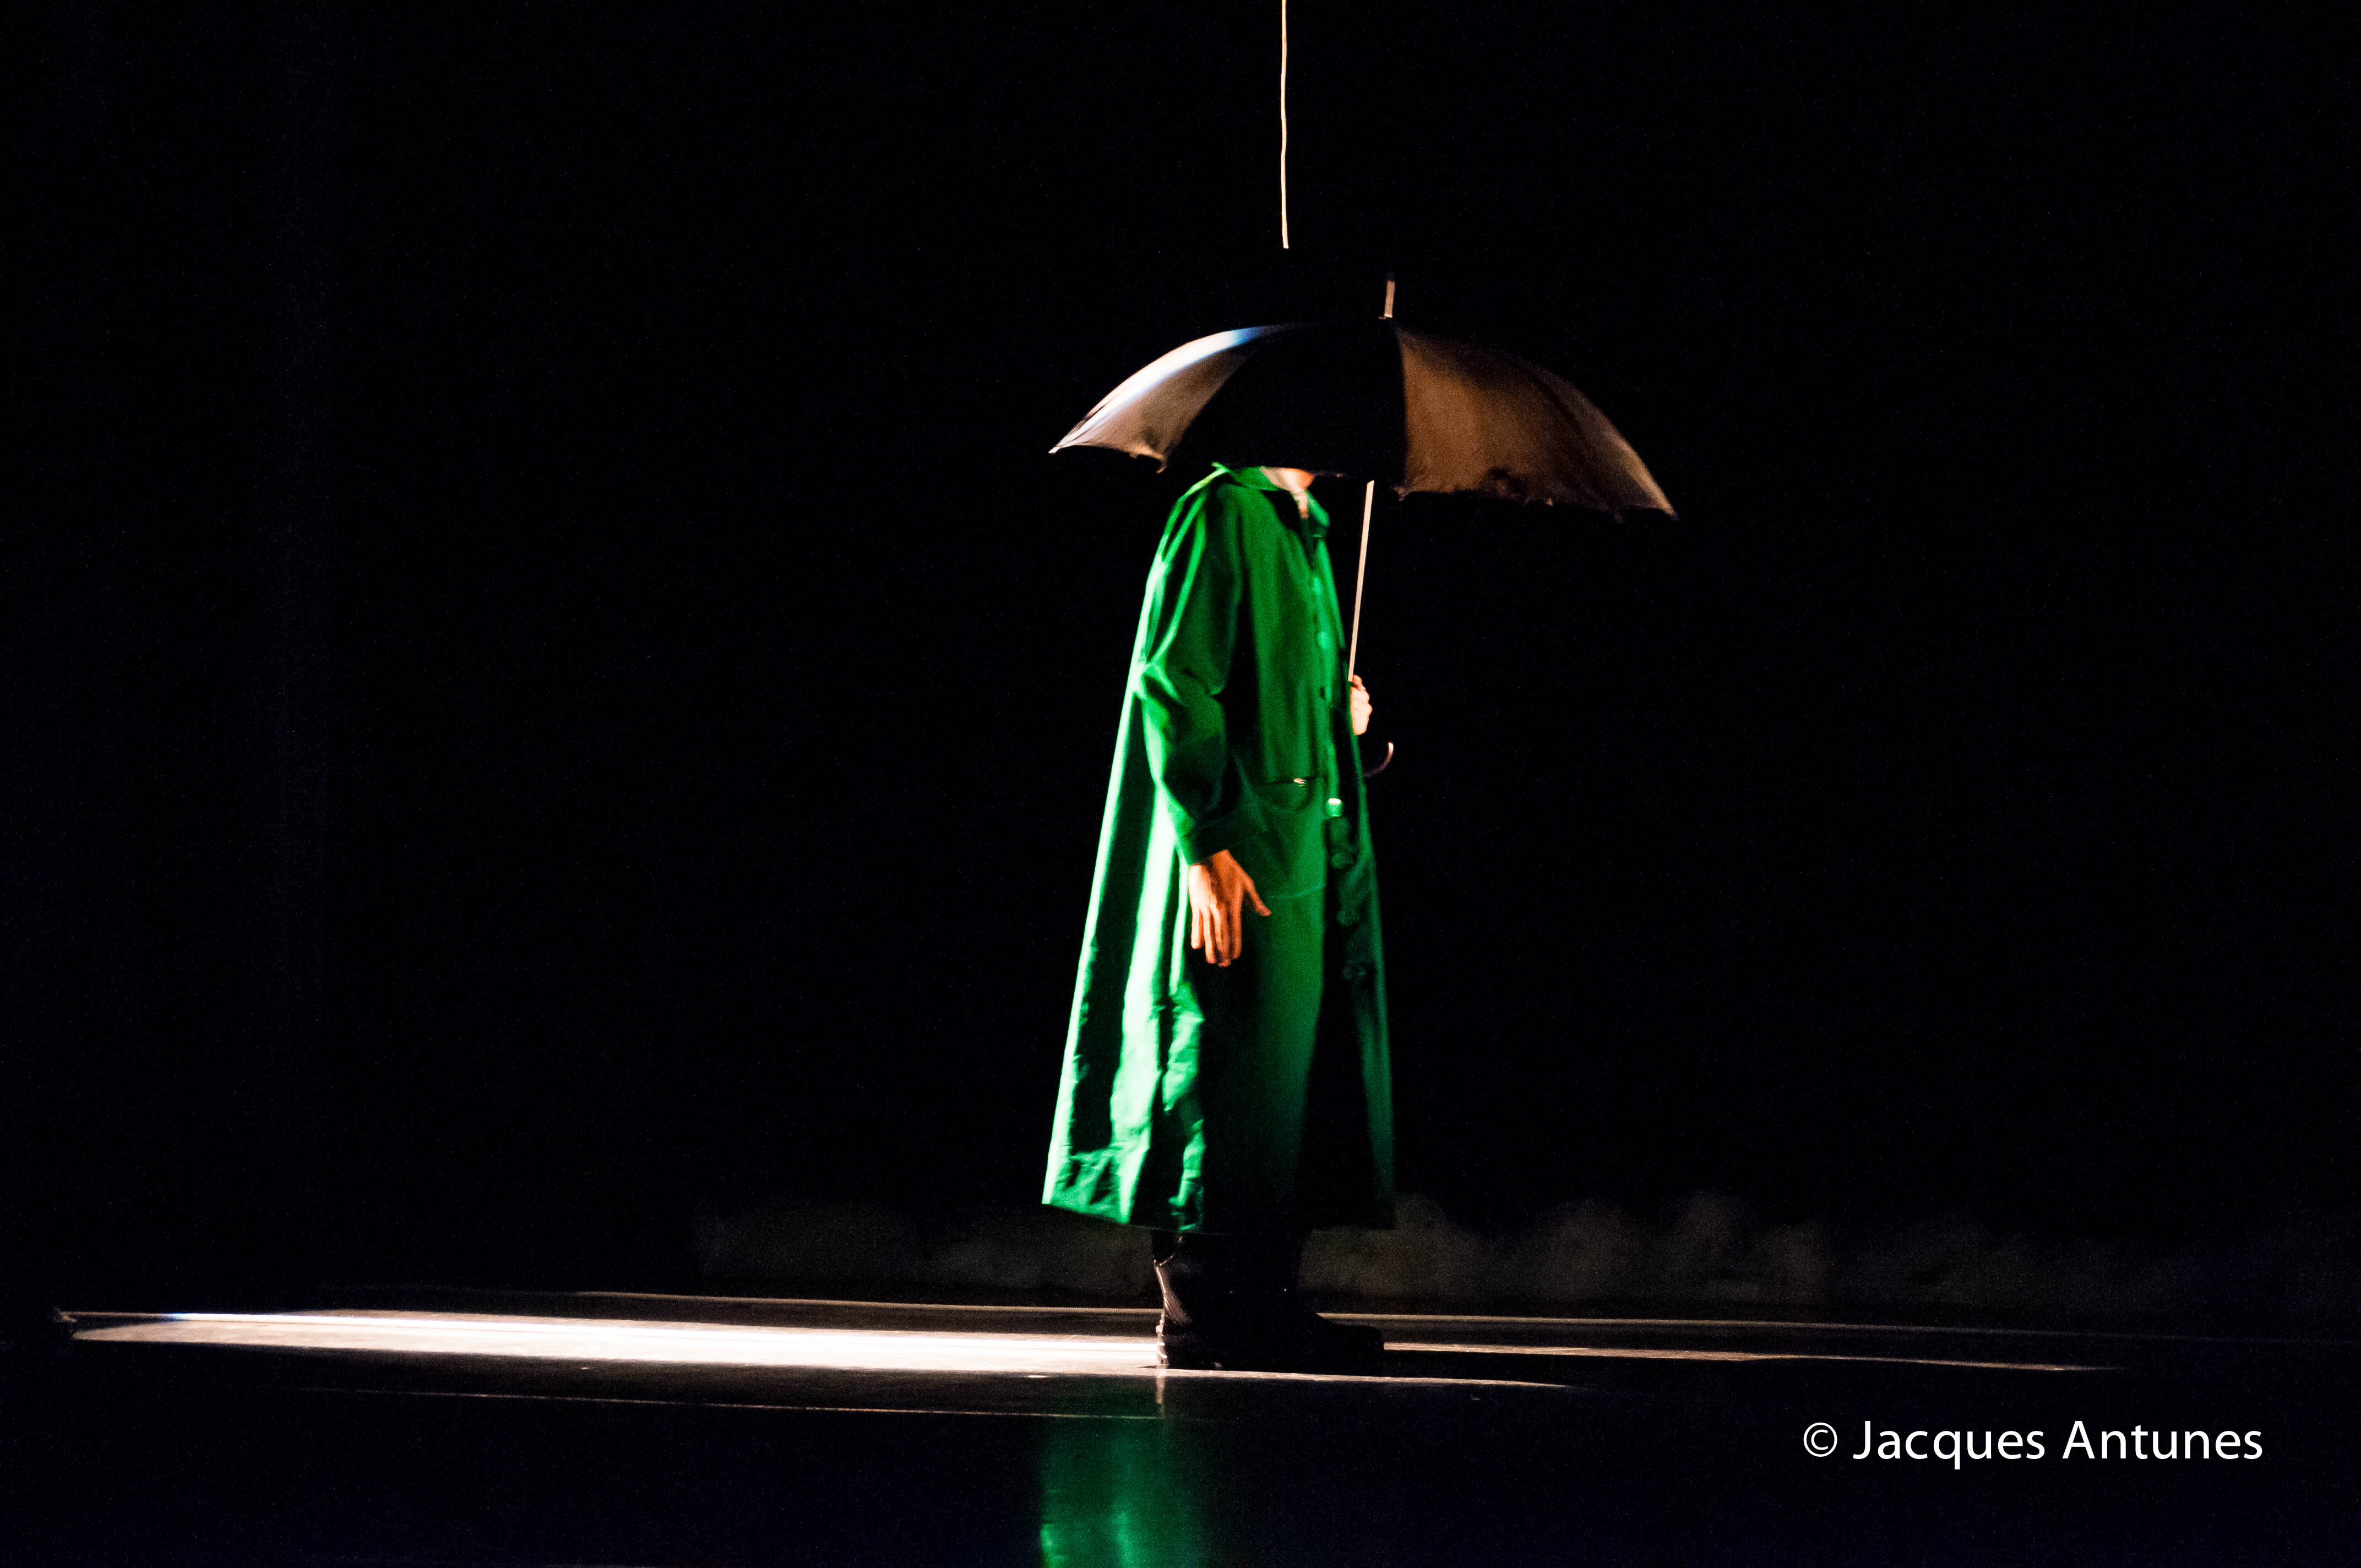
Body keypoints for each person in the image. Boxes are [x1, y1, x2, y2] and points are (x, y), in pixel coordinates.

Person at [1043, 460, 1392, 1373]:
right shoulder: (1224, 512)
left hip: (1302, 850)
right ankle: (1205, 1306)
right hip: (1244, 847)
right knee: (1231, 1068)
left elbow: (1274, 695)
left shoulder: (1302, 526)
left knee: (1287, 1084)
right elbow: (1176, 680)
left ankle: (1266, 1298)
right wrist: (1206, 837)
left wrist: (1341, 720)